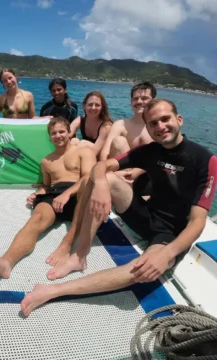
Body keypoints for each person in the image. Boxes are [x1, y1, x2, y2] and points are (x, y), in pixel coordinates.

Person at [21, 99, 217, 317]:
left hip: (170, 234)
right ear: (149, 129)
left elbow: (198, 222)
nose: (160, 126)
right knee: (100, 179)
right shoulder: (150, 151)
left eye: (165, 119)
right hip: (146, 215)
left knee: (142, 271)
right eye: (153, 123)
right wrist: (103, 184)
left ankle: (53, 291)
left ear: (178, 119)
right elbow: (102, 165)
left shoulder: (204, 160)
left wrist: (167, 254)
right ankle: (79, 255)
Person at [0, 117, 96, 278]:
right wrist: (37, 194)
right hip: (55, 195)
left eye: (61, 131)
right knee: (36, 218)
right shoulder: (46, 161)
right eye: (53, 133)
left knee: (86, 187)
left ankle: (67, 244)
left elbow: (88, 177)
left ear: (70, 132)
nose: (58, 136)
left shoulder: (84, 152)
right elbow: (46, 186)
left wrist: (66, 194)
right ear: (49, 137)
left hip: (79, 192)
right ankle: (6, 262)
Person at [100, 82, 156, 161]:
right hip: (120, 169)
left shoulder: (159, 127)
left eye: (144, 98)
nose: (139, 102)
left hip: (148, 171)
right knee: (119, 141)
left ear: (154, 101)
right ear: (131, 101)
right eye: (135, 98)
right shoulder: (120, 125)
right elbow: (105, 152)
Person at [69, 91, 113, 157]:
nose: (93, 108)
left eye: (97, 105)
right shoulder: (80, 120)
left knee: (83, 144)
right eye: (90, 104)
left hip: (102, 156)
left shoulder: (106, 126)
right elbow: (66, 135)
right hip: (87, 154)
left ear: (102, 107)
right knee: (74, 141)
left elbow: (95, 152)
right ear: (84, 106)